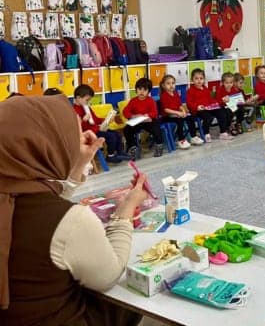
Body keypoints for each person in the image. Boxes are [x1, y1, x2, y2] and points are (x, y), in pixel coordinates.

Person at [0, 95, 147, 325]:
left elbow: (40, 203)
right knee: (141, 294)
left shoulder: (12, 195)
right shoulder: (71, 222)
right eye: (70, 136)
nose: (77, 142)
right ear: (47, 145)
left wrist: (76, 167)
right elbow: (109, 275)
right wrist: (127, 208)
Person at [72, 84, 129, 163]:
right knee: (111, 136)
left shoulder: (86, 107)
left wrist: (105, 120)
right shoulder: (74, 110)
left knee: (117, 134)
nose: (88, 102)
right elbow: (78, 127)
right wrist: (84, 120)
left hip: (96, 129)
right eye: (87, 100)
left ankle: (120, 152)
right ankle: (110, 156)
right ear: (78, 98)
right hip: (89, 133)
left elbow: (95, 119)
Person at [159, 74, 204, 149]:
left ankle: (193, 137)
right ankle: (181, 140)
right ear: (163, 85)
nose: (171, 85)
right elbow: (166, 109)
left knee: (190, 117)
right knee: (180, 120)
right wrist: (177, 113)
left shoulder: (175, 94)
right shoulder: (164, 96)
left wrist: (183, 111)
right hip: (167, 116)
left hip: (176, 114)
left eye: (173, 83)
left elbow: (179, 105)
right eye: (168, 83)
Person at [186, 68, 232, 141]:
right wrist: (197, 107)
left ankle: (223, 132)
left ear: (204, 79)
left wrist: (221, 101)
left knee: (221, 112)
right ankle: (206, 133)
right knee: (208, 117)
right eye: (196, 78)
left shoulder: (205, 89)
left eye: (201, 78)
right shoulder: (190, 91)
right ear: (192, 80)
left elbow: (210, 100)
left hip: (208, 108)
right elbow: (189, 103)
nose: (199, 80)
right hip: (198, 110)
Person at [123, 77, 164, 158]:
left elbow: (154, 112)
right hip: (137, 122)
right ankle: (133, 147)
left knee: (156, 128)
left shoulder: (150, 100)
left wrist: (147, 115)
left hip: (148, 121)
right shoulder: (133, 101)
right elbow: (125, 112)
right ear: (136, 90)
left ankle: (159, 145)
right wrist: (133, 116)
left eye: (144, 90)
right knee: (127, 129)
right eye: (139, 89)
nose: (141, 92)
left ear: (148, 91)